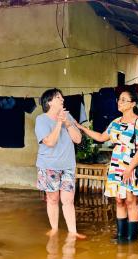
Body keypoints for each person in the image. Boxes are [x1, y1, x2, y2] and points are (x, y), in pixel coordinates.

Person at [75, 89, 138, 242]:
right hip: (116, 166)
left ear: (133, 104)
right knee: (119, 200)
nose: (119, 102)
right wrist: (82, 129)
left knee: (130, 201)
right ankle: (121, 236)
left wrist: (129, 169)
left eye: (123, 100)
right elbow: (102, 137)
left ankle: (132, 238)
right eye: (119, 100)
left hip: (131, 166)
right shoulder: (115, 122)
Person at [35, 88, 86, 239]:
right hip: (49, 166)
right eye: (58, 97)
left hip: (68, 166)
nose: (62, 99)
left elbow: (78, 139)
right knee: (52, 199)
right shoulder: (41, 120)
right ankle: (55, 229)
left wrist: (68, 123)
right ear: (49, 102)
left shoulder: (68, 115)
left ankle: (73, 232)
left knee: (68, 200)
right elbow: (50, 142)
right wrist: (59, 123)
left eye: (62, 97)